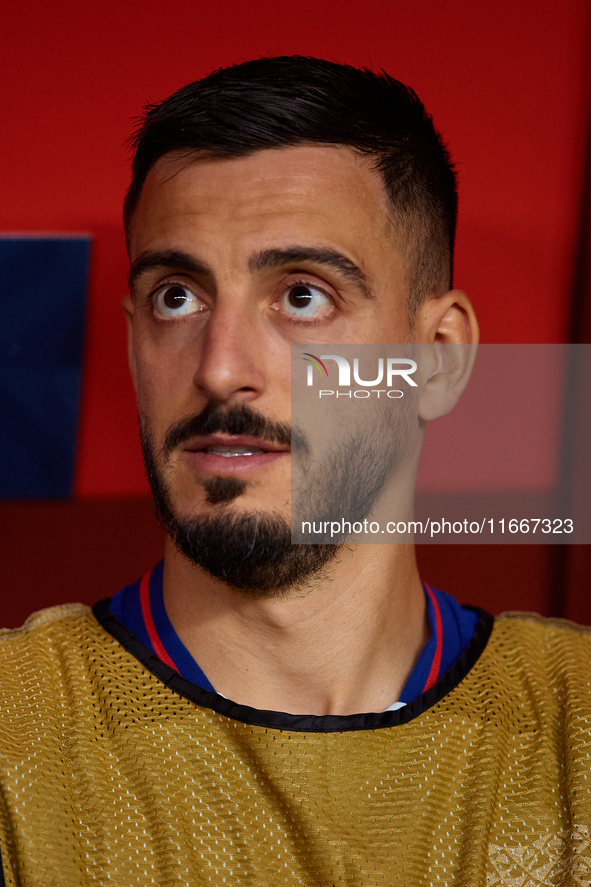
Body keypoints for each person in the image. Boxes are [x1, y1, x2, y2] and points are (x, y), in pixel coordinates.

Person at [0, 56, 590, 886]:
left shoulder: (575, 721)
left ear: (436, 358)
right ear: (134, 340)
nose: (219, 368)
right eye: (177, 297)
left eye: (303, 296)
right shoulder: (15, 731)